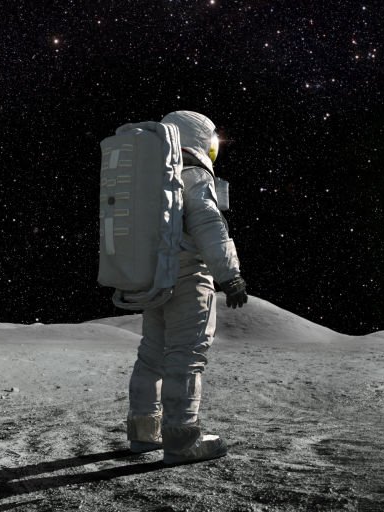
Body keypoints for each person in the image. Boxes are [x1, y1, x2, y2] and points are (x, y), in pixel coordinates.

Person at [125, 110, 249, 464]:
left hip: (155, 280)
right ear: (196, 139)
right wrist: (231, 276)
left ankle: (143, 433)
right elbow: (210, 225)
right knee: (186, 358)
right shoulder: (194, 175)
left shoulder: (154, 178)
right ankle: (182, 440)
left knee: (151, 357)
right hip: (190, 281)